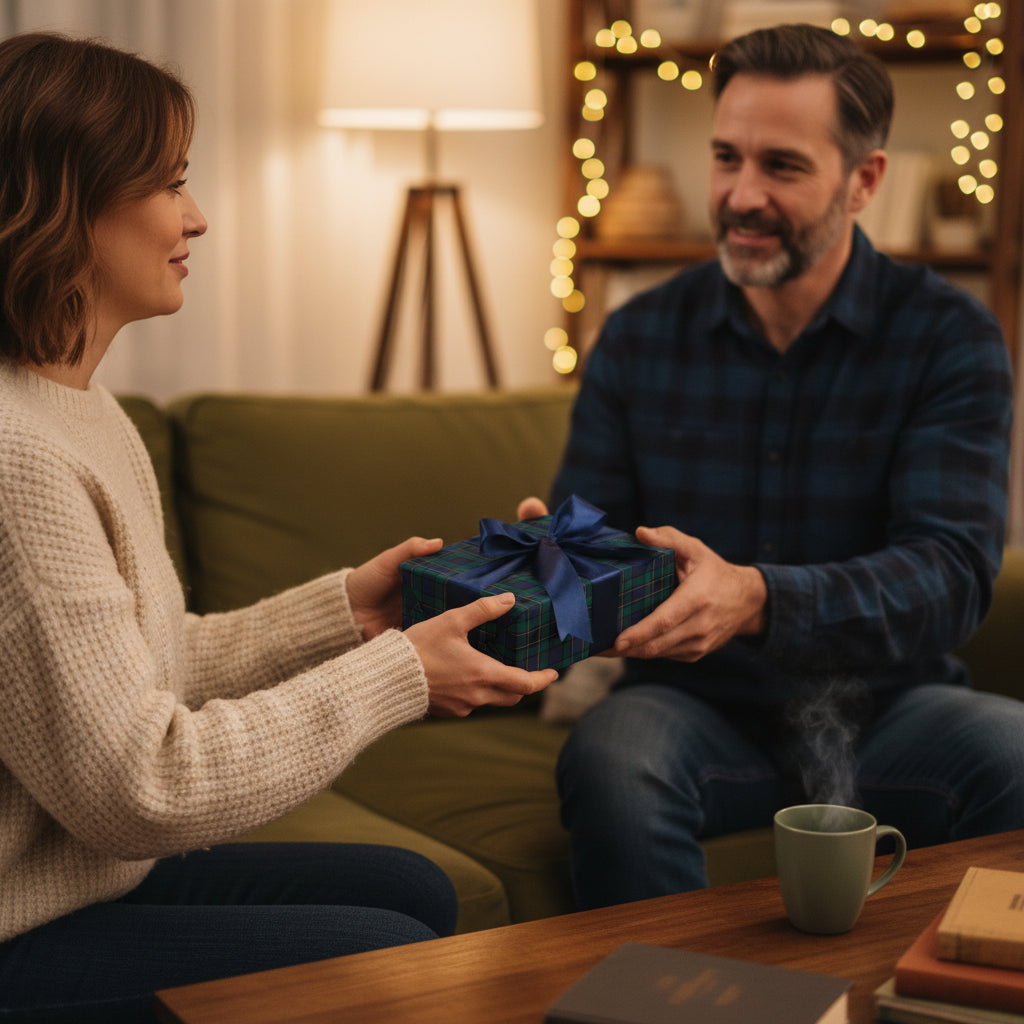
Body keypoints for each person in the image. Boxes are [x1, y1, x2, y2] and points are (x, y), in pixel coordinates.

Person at [0, 31, 557, 1023]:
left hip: (88, 882)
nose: (198, 216)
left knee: (418, 890)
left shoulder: (82, 414)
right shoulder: (20, 462)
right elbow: (143, 787)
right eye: (170, 183)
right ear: (68, 207)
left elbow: (144, 671)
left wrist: (344, 612)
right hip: (19, 926)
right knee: (387, 956)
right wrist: (398, 674)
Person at [519, 23, 1024, 911]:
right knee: (610, 761)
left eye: (781, 167)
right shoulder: (639, 338)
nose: (739, 195)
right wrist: (555, 564)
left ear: (864, 180)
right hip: (690, 709)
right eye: (724, 158)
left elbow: (950, 576)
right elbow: (587, 546)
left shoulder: (949, 337)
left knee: (1015, 755)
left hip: (895, 710)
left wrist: (758, 598)